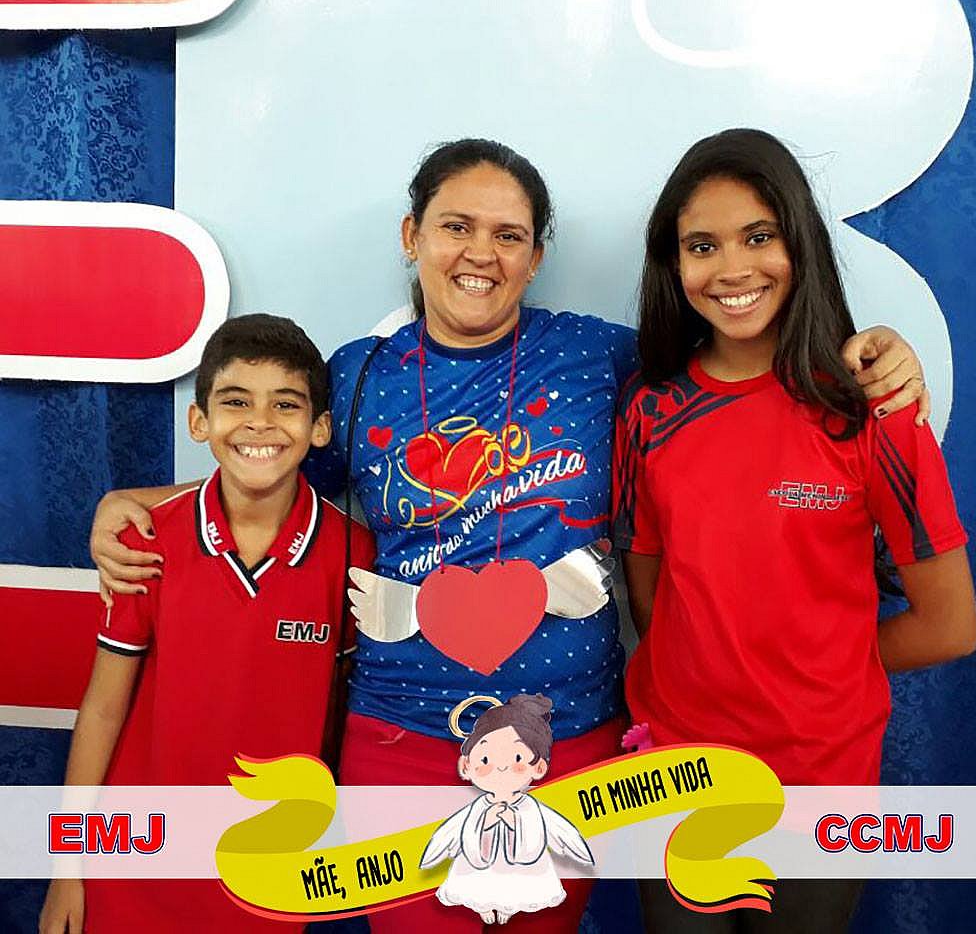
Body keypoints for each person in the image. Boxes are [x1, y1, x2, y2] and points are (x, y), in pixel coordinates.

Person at [88, 139, 928, 933]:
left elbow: (740, 370)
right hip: (401, 740)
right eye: (456, 226)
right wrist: (139, 501)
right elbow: (268, 478)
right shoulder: (360, 374)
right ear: (413, 236)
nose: (480, 254)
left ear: (536, 255)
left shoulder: (604, 359)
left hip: (568, 744)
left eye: (509, 235)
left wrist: (872, 352)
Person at [613, 128, 976, 932]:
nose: (732, 269)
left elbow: (950, 626)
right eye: (702, 246)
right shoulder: (649, 411)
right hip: (676, 777)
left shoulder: (872, 408)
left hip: (818, 782)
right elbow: (652, 602)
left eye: (759, 236)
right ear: (673, 264)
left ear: (800, 243)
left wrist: (812, 670)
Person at [39, 315, 374, 934]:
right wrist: (68, 866)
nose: (260, 422)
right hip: (134, 866)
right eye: (236, 401)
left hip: (267, 873)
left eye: (286, 404)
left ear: (320, 427)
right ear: (199, 421)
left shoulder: (352, 555)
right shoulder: (146, 542)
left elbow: (345, 720)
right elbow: (104, 709)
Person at [419, 694, 594, 925]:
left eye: (517, 757)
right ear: (466, 765)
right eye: (485, 760)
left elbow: (559, 830)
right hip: (477, 866)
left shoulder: (531, 806)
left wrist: (515, 822)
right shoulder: (477, 807)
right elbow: (450, 833)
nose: (501, 767)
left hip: (523, 868)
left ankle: (508, 906)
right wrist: (485, 824)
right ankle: (483, 905)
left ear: (539, 766)